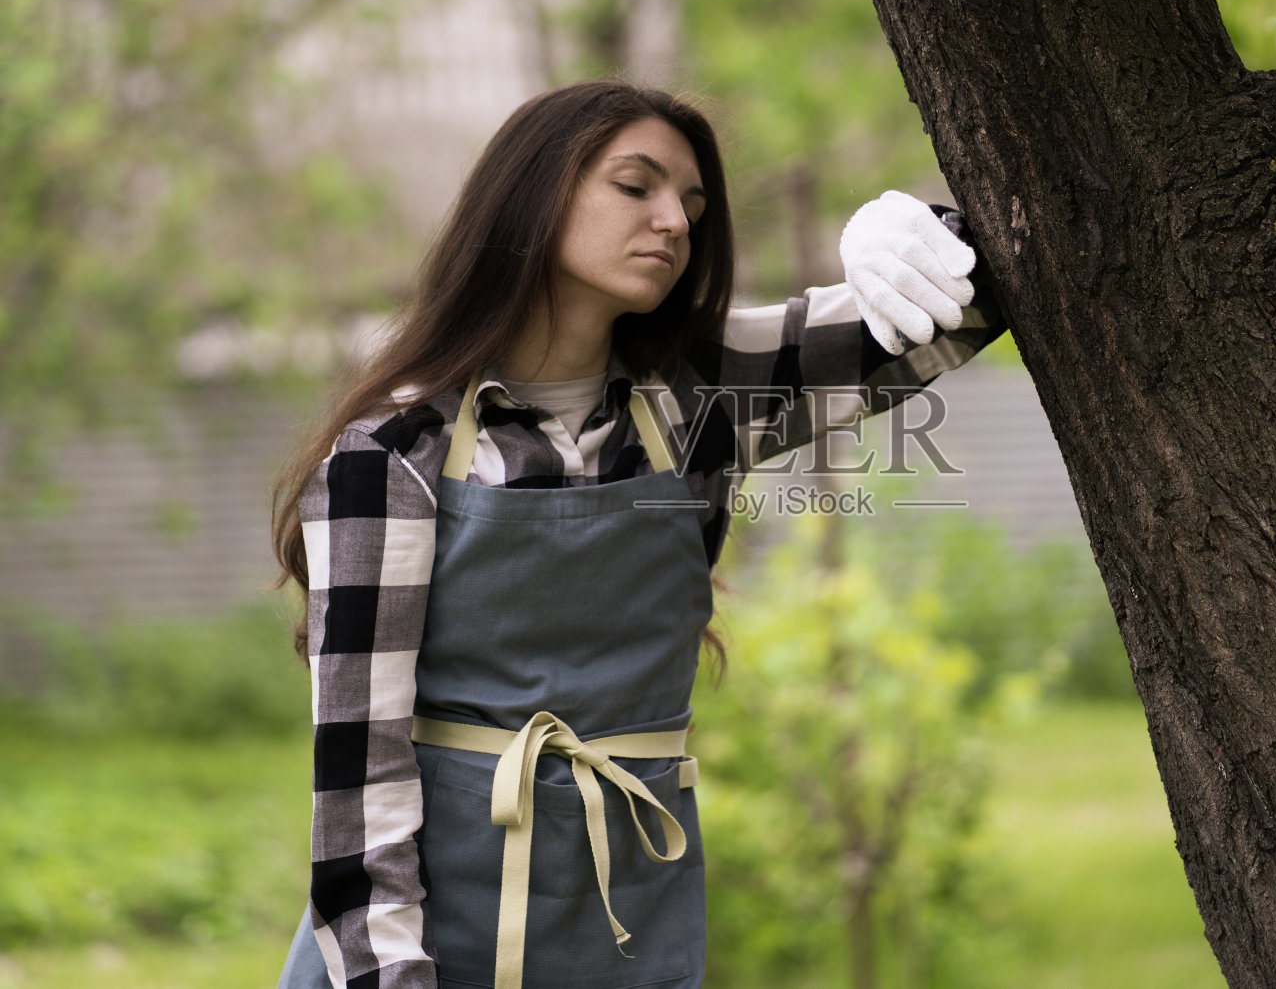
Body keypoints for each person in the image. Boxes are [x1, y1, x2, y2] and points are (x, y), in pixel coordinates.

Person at [271, 80, 1005, 989]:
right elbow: (360, 784)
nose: (674, 222)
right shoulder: (396, 450)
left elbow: (961, 305)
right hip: (425, 944)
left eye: (692, 205)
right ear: (535, 195)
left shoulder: (702, 397)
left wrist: (915, 227)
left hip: (630, 923)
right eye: (637, 187)